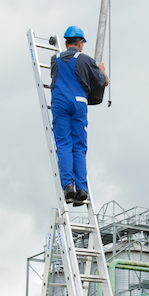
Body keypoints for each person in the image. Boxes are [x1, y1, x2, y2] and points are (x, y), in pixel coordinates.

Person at [50, 25, 108, 205]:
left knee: (64, 144)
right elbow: (104, 81)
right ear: (80, 42)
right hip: (79, 103)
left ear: (66, 43)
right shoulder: (85, 60)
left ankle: (68, 185)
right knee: (79, 146)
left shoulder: (55, 59)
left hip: (60, 102)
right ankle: (82, 188)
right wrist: (100, 69)